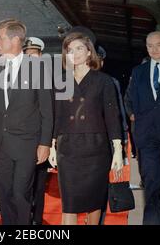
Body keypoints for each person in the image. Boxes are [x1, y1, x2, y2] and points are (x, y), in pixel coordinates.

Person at [0, 19, 53, 225]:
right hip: (0, 143)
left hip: (28, 143)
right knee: (5, 193)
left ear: (16, 39)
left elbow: (47, 109)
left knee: (20, 192)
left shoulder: (38, 67)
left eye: (0, 37)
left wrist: (45, 143)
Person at [54, 32, 123, 225]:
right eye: (69, 50)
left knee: (94, 205)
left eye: (79, 48)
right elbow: (57, 115)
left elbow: (112, 117)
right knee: (69, 204)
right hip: (68, 150)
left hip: (96, 150)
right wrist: (52, 144)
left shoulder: (104, 81)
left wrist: (118, 150)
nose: (74, 53)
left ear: (88, 52)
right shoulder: (61, 81)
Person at [129, 31, 160, 225]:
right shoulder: (138, 72)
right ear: (146, 48)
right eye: (150, 46)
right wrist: (135, 116)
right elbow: (130, 99)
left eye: (158, 45)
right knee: (151, 182)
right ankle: (152, 221)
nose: (154, 49)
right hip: (147, 137)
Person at [23, 36, 54, 225]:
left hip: (40, 140)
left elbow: (50, 113)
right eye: (27, 56)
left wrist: (48, 141)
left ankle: (37, 219)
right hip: (22, 142)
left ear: (41, 56)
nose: (30, 59)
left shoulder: (48, 78)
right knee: (23, 184)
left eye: (33, 55)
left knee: (39, 183)